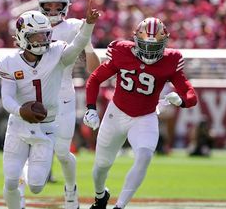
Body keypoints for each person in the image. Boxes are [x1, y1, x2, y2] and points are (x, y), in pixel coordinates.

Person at [83, 17, 198, 209]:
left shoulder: (171, 59)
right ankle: (100, 195)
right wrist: (91, 109)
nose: (149, 51)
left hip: (145, 116)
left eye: (155, 47)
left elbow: (190, 93)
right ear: (136, 40)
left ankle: (120, 206)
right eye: (145, 45)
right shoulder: (121, 51)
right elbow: (95, 79)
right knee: (101, 166)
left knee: (144, 156)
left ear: (164, 43)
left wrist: (182, 100)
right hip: (116, 113)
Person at [0, 3, 99, 209]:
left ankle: (66, 189)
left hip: (48, 126)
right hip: (18, 125)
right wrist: (20, 110)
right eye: (37, 36)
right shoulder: (8, 61)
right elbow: (6, 99)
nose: (43, 40)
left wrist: (88, 25)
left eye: (45, 35)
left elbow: (78, 45)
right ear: (24, 36)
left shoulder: (57, 53)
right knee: (10, 181)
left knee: (35, 185)